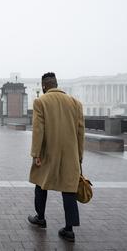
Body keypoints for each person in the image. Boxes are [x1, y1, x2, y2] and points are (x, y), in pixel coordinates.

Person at [28, 72, 85, 242]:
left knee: (41, 184)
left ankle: (41, 217)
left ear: (44, 86)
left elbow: (38, 130)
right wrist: (79, 155)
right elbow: (80, 132)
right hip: (70, 153)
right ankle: (69, 229)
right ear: (57, 84)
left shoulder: (41, 101)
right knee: (69, 190)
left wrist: (36, 154)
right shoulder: (76, 103)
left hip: (48, 152)